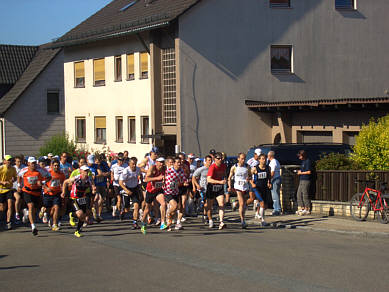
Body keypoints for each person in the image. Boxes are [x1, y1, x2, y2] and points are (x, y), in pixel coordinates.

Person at [62, 165, 96, 237]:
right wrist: (63, 192)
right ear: (81, 171)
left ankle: (77, 231)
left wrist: (93, 190)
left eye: (87, 171)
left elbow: (93, 185)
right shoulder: (76, 178)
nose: (86, 172)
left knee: (83, 215)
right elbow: (65, 182)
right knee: (80, 214)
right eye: (85, 171)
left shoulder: (89, 179)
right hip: (74, 198)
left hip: (82, 198)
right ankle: (72, 215)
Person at [18, 157, 48, 236]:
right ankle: (33, 226)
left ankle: (29, 216)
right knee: (31, 206)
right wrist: (19, 185)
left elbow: (49, 176)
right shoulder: (24, 170)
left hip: (37, 192)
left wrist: (42, 182)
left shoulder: (40, 170)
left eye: (34, 163)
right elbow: (19, 176)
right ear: (28, 163)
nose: (33, 165)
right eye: (32, 163)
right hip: (27, 191)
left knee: (35, 209)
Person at [141, 157, 167, 234]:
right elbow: (146, 179)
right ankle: (143, 224)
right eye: (160, 162)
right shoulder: (152, 168)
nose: (161, 164)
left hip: (158, 189)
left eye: (163, 162)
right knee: (147, 209)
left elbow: (164, 178)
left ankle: (162, 223)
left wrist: (164, 181)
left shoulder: (164, 169)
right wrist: (157, 178)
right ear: (156, 162)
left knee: (163, 203)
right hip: (150, 190)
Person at [163, 156, 188, 231]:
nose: (179, 164)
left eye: (180, 162)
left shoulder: (181, 170)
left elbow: (183, 179)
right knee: (174, 206)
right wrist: (181, 183)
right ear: (173, 163)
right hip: (168, 191)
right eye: (177, 162)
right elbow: (172, 184)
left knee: (175, 209)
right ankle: (168, 215)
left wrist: (185, 182)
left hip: (176, 191)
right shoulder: (169, 171)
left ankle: (169, 222)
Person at [228, 153, 251, 229]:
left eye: (244, 158)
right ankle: (242, 220)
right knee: (242, 203)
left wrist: (249, 178)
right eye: (241, 158)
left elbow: (250, 175)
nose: (243, 160)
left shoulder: (247, 166)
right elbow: (229, 177)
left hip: (245, 186)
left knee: (244, 204)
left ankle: (235, 203)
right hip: (237, 187)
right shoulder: (234, 167)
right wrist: (229, 186)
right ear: (238, 158)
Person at [119, 157, 143, 229]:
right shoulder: (126, 171)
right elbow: (120, 183)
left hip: (135, 188)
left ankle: (135, 223)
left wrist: (140, 183)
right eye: (132, 164)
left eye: (135, 164)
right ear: (129, 164)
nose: (134, 165)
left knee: (136, 206)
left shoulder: (138, 169)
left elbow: (140, 175)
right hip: (127, 188)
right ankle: (123, 211)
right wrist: (126, 190)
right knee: (127, 209)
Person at [206, 152, 227, 230]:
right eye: (218, 158)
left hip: (219, 188)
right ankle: (210, 220)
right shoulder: (212, 167)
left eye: (221, 158)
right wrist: (219, 182)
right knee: (209, 206)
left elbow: (224, 174)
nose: (220, 160)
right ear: (215, 159)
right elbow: (208, 179)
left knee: (221, 204)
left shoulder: (224, 166)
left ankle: (221, 222)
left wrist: (225, 179)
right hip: (211, 187)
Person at [43, 159, 65, 231]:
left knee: (57, 207)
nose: (56, 167)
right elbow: (42, 183)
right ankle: (44, 212)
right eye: (55, 165)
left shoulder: (61, 174)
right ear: (52, 166)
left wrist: (62, 190)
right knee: (49, 210)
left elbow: (62, 183)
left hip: (56, 193)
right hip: (48, 193)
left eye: (57, 165)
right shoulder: (48, 173)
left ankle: (55, 224)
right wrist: (47, 188)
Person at [251, 153, 271, 226]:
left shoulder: (268, 168)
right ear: (259, 160)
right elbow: (249, 177)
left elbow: (269, 177)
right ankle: (263, 220)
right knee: (262, 203)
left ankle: (257, 204)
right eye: (262, 159)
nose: (264, 160)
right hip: (257, 188)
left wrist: (269, 182)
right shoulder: (255, 168)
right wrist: (252, 183)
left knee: (265, 206)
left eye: (265, 159)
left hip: (264, 188)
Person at [192, 155, 212, 224]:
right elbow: (193, 177)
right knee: (206, 203)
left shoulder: (212, 168)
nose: (210, 162)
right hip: (202, 188)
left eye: (211, 160)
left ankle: (205, 215)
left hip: (210, 188)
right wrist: (196, 185)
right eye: (208, 160)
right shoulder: (201, 169)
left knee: (208, 204)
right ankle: (205, 216)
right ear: (205, 161)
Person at [0, 155, 17, 230]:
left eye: (10, 160)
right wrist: (2, 182)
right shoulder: (1, 168)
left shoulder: (13, 169)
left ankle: (8, 222)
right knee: (2, 208)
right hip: (1, 189)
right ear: (4, 161)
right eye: (8, 160)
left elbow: (15, 177)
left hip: (9, 189)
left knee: (10, 205)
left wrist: (13, 179)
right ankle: (2, 219)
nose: (9, 162)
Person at [110, 153, 127, 218]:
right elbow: (111, 172)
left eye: (122, 160)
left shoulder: (126, 165)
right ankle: (119, 211)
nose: (121, 162)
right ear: (117, 160)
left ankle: (120, 210)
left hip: (123, 184)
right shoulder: (114, 166)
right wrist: (112, 177)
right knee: (119, 199)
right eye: (119, 160)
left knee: (123, 199)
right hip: (116, 184)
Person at [296, 150, 312, 216]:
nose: (299, 157)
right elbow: (303, 170)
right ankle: (302, 208)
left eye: (300, 156)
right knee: (298, 194)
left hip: (306, 180)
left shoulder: (308, 161)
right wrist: (299, 171)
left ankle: (307, 209)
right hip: (301, 179)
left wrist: (301, 173)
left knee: (305, 194)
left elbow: (309, 172)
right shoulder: (303, 162)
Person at [267, 150, 282, 216]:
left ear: (270, 156)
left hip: (274, 179)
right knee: (276, 194)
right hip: (277, 178)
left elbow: (272, 173)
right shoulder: (276, 161)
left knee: (274, 195)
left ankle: (277, 209)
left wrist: (269, 181)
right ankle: (276, 208)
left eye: (268, 156)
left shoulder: (273, 162)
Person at [12, 156, 26, 224]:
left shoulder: (24, 167)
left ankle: (22, 215)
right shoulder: (13, 168)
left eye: (20, 161)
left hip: (23, 187)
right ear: (15, 162)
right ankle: (16, 214)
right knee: (18, 198)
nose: (19, 163)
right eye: (18, 161)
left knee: (23, 202)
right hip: (14, 187)